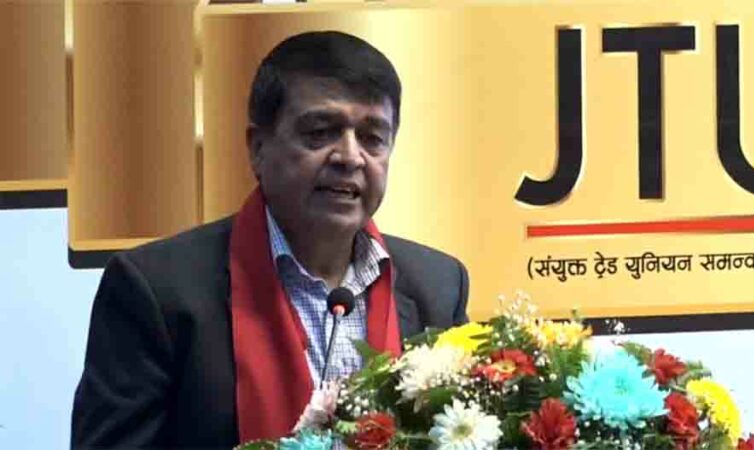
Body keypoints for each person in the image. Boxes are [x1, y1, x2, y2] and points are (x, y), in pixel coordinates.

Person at [71, 31, 469, 449]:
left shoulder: (438, 285)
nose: (350, 157)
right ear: (258, 149)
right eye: (321, 132)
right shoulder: (158, 291)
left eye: (372, 138)